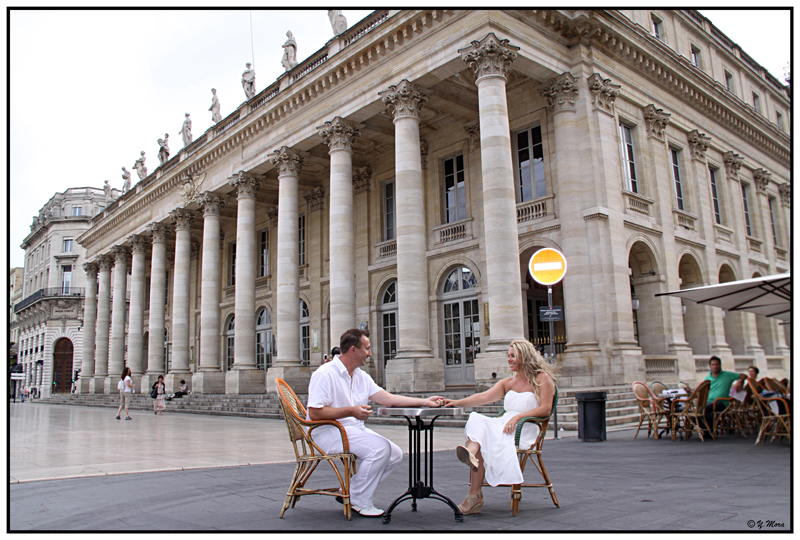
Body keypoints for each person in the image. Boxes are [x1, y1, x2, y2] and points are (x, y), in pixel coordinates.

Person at [306, 328, 444, 517]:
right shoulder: (325, 374)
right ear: (353, 350)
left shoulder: (361, 376)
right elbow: (314, 412)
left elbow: (388, 399)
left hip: (352, 430)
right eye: (367, 348)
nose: (370, 353)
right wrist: (350, 410)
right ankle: (359, 500)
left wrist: (425, 401)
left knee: (394, 454)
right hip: (327, 432)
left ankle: (351, 491)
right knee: (380, 449)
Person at [444, 340, 555, 515]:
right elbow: (484, 397)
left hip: (524, 427)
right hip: (504, 424)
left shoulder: (542, 378)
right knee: (476, 418)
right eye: (508, 356)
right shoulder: (509, 382)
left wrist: (518, 417)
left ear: (525, 356)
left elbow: (546, 409)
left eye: (513, 356)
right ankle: (471, 453)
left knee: (485, 436)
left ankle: (474, 496)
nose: (509, 359)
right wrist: (457, 402)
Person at [702, 356, 743, 434]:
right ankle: (709, 430)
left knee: (705, 409)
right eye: (713, 365)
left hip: (722, 403)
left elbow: (744, 376)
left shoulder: (728, 375)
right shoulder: (706, 378)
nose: (715, 366)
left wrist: (740, 381)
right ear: (710, 366)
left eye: (717, 364)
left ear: (720, 365)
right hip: (709, 402)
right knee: (697, 413)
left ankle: (710, 432)